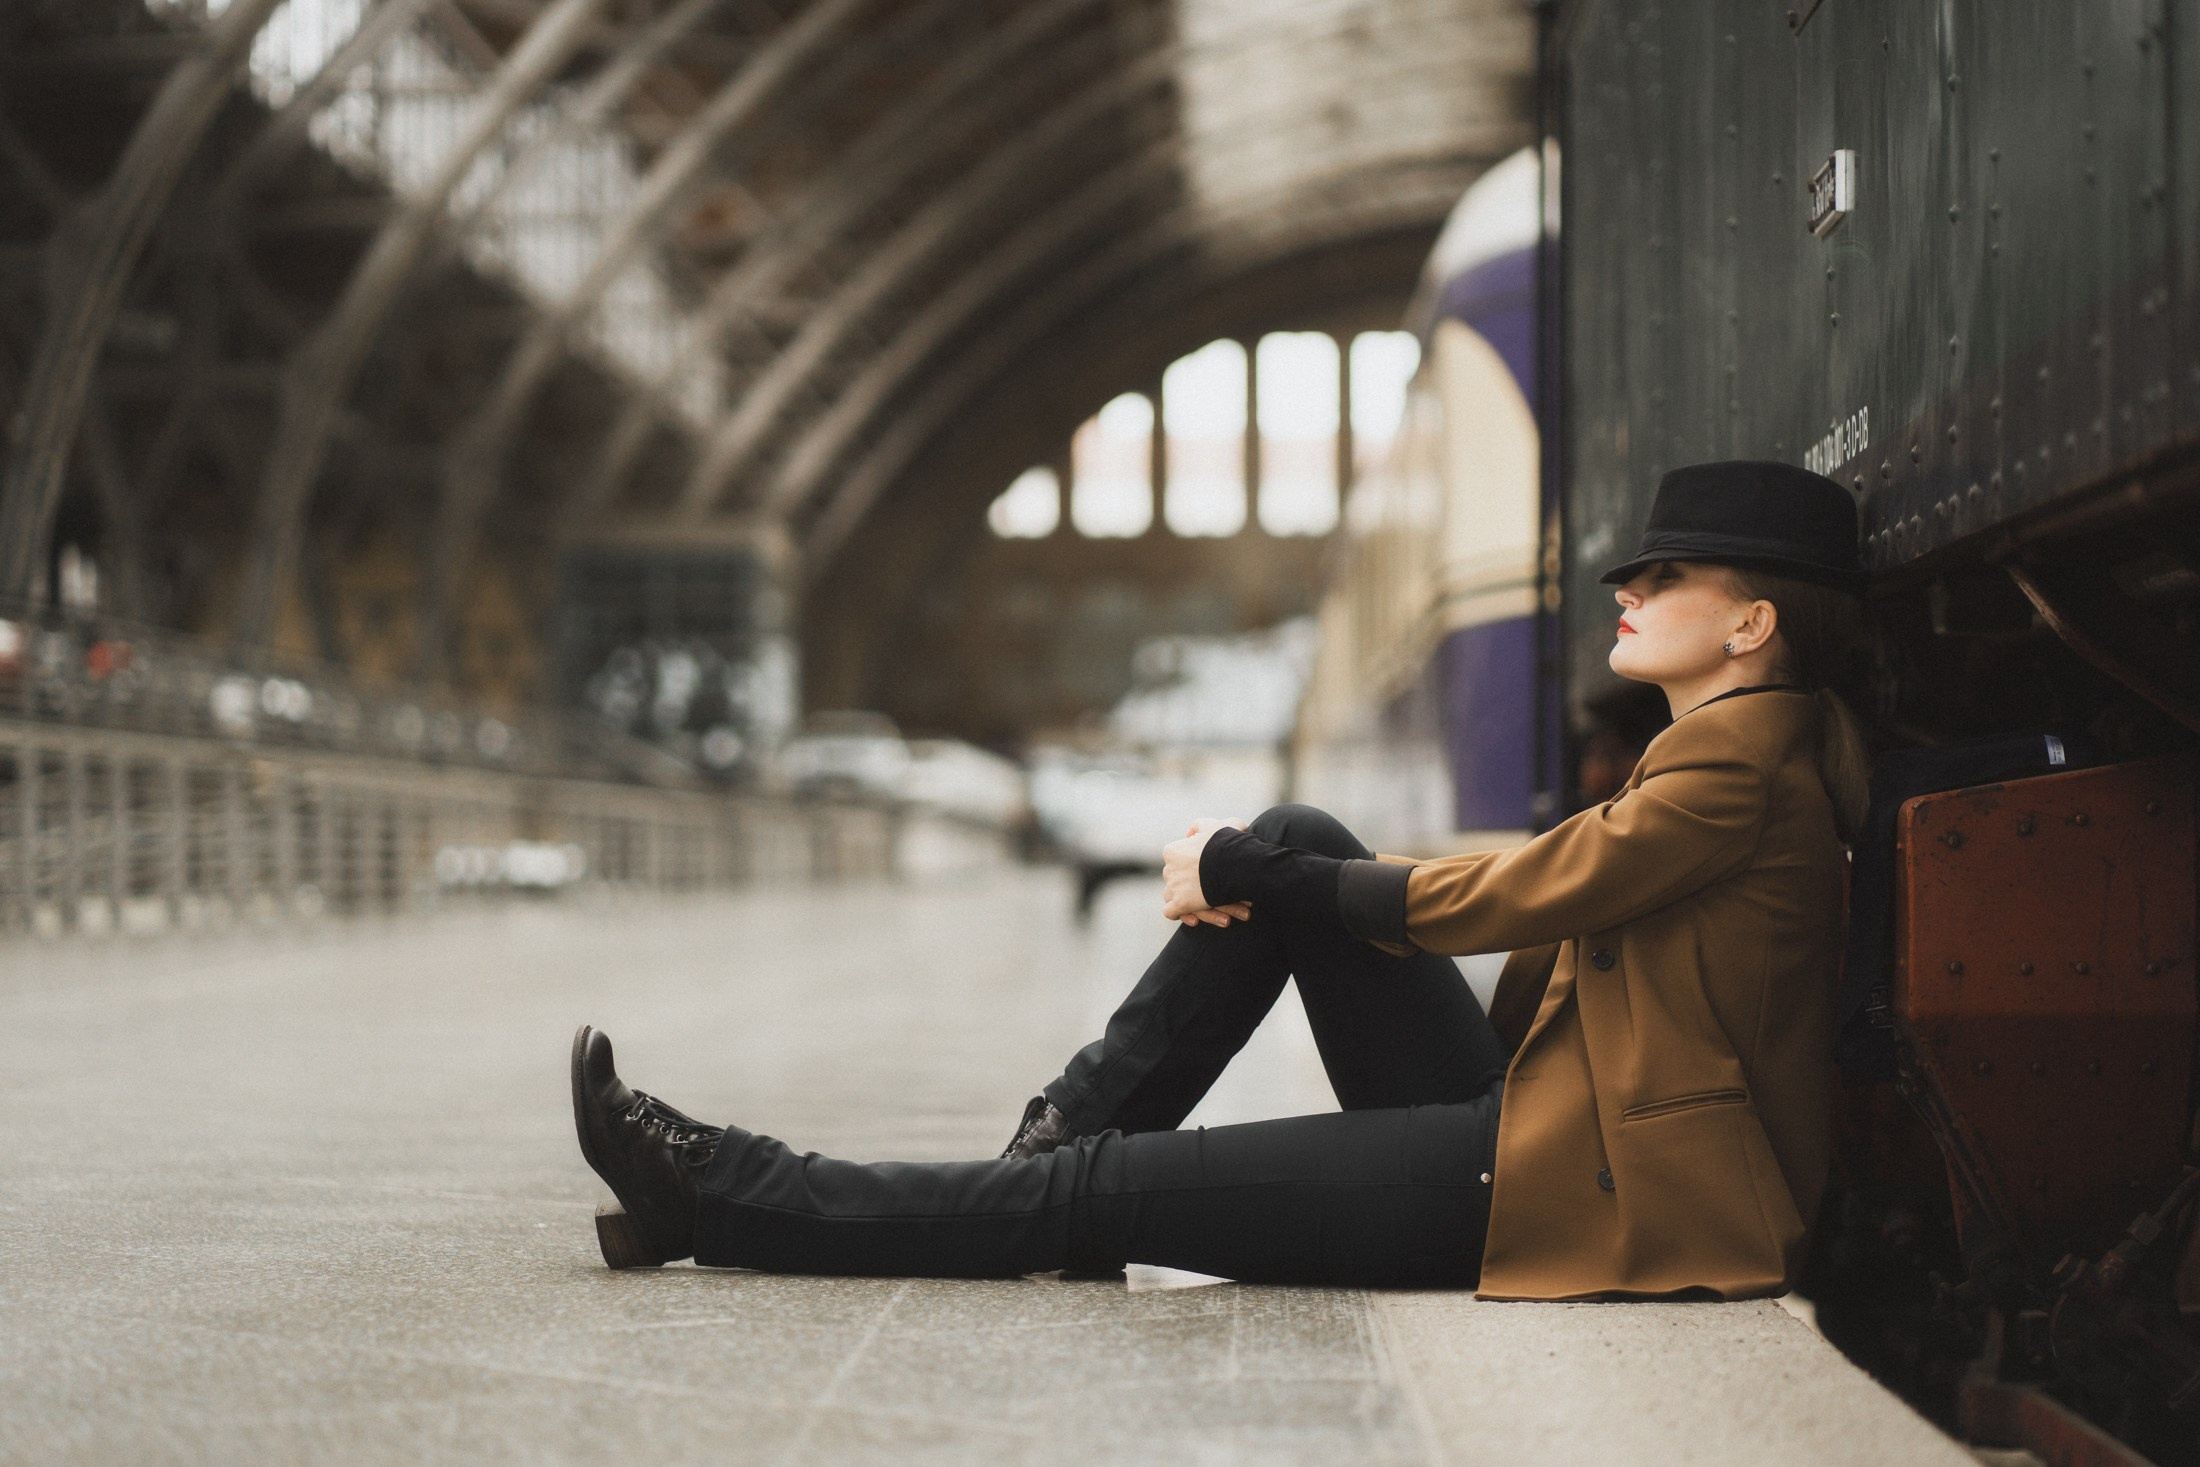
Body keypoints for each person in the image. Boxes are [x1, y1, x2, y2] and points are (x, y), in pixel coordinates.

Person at [570, 460, 1872, 1299]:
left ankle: (727, 1190)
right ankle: (1054, 1153)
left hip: (1588, 1186)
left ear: (1753, 623)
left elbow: (1516, 894)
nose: (1629, 590)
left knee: (1112, 1186)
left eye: (1667, 574)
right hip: (1549, 1131)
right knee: (1299, 832)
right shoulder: (1718, 755)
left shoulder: (1735, 773)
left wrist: (1264, 875)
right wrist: (1284, 868)